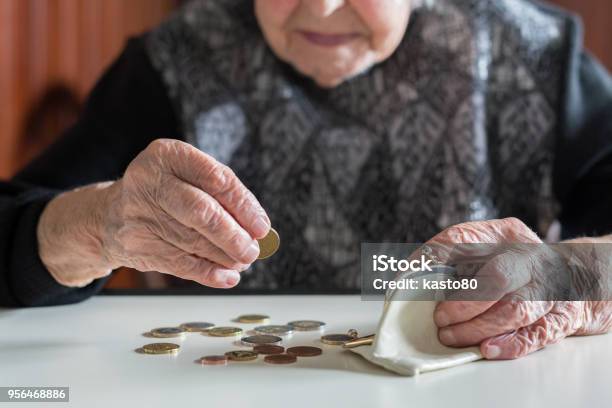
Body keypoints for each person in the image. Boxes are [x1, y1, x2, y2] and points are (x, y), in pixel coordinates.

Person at [1, 0, 611, 360]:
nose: (318, 8)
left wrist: (573, 275)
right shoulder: (175, 62)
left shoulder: (534, 57)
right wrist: (97, 225)